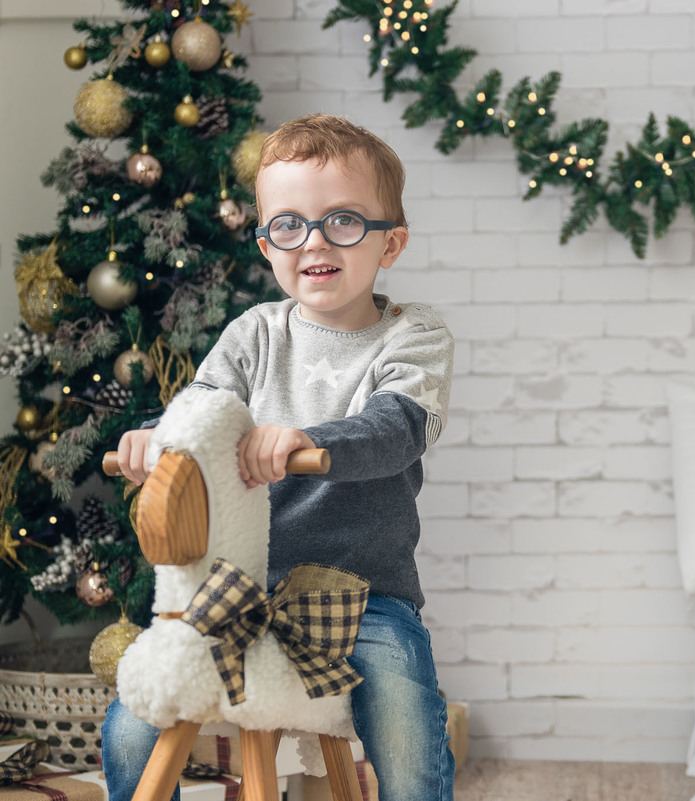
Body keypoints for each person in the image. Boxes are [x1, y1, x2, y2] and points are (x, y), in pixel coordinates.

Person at [102, 113, 456, 801]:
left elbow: (396, 428)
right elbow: (198, 415)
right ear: (266, 243)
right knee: (135, 720)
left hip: (360, 594)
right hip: (240, 586)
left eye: (343, 221)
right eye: (289, 225)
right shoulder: (253, 333)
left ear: (392, 242)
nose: (314, 242)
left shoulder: (412, 336)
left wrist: (309, 439)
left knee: (406, 708)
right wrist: (158, 439)